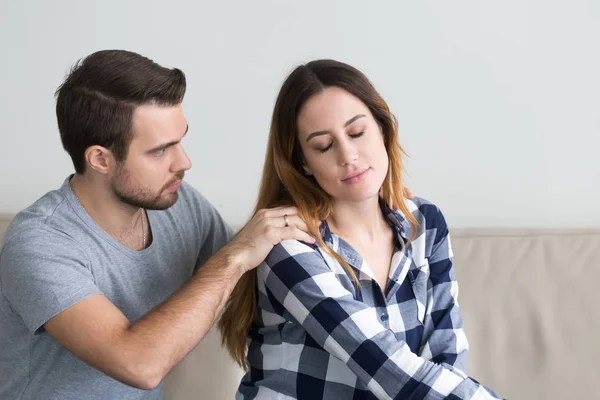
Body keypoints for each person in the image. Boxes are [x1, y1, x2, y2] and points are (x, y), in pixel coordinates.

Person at [0, 49, 317, 400]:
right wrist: (234, 255)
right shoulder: (39, 242)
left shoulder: (179, 205)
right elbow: (139, 365)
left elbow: (255, 283)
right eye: (160, 151)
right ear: (100, 159)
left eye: (180, 139)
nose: (184, 161)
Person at [219, 59, 503, 399]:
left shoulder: (426, 224)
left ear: (383, 128)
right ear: (303, 162)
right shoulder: (289, 246)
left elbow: (447, 358)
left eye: (356, 132)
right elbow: (385, 365)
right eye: (324, 146)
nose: (349, 155)